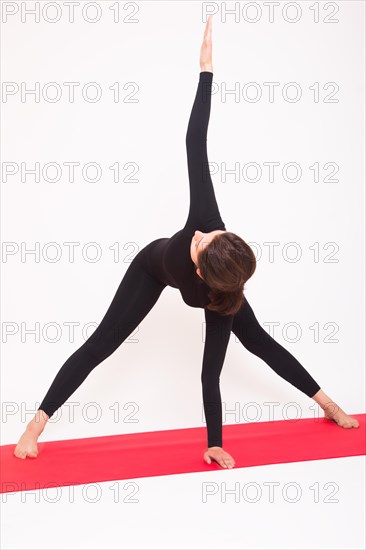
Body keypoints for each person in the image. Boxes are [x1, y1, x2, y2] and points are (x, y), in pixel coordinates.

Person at [14, 16, 359, 468]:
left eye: (199, 243)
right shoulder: (207, 220)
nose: (197, 233)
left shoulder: (221, 298)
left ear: (200, 271)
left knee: (259, 342)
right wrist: (206, 72)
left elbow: (209, 375)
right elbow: (196, 141)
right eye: (208, 235)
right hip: (149, 267)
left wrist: (214, 442)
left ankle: (328, 403)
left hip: (213, 295)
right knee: (103, 342)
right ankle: (35, 424)